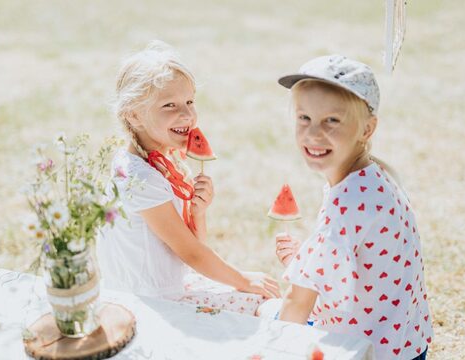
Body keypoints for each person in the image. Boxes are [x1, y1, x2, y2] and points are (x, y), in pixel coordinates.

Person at [96, 41, 279, 315]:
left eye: (190, 102)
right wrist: (243, 279)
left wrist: (198, 212)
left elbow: (192, 247)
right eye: (169, 105)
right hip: (151, 302)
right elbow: (191, 253)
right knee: (266, 306)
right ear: (133, 115)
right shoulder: (138, 176)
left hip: (174, 284)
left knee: (264, 297)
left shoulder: (165, 163)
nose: (187, 115)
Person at [271, 55, 433, 359]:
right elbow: (354, 268)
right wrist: (302, 261)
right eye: (304, 117)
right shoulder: (375, 178)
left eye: (332, 120)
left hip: (367, 352)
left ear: (367, 129)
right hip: (407, 347)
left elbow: (296, 303)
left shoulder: (347, 205)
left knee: (266, 320)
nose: (313, 133)